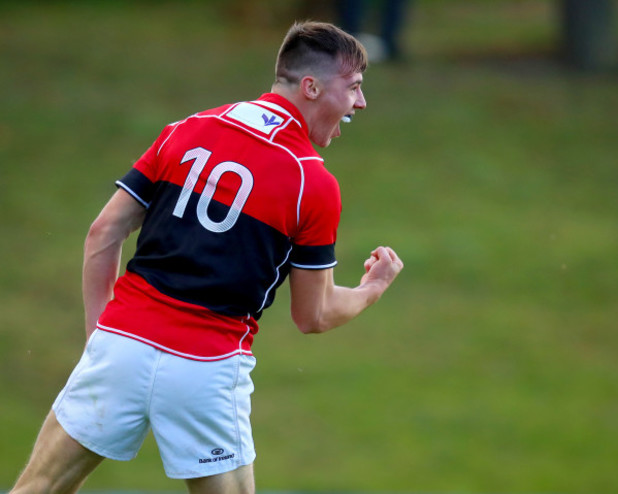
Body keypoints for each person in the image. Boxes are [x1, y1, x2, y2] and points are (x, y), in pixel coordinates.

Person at [10, 21, 403, 494]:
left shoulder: (188, 129)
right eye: (355, 88)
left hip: (121, 345)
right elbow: (313, 315)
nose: (361, 103)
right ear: (312, 87)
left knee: (38, 488)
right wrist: (371, 288)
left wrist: (102, 337)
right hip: (205, 369)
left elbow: (102, 234)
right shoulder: (311, 183)